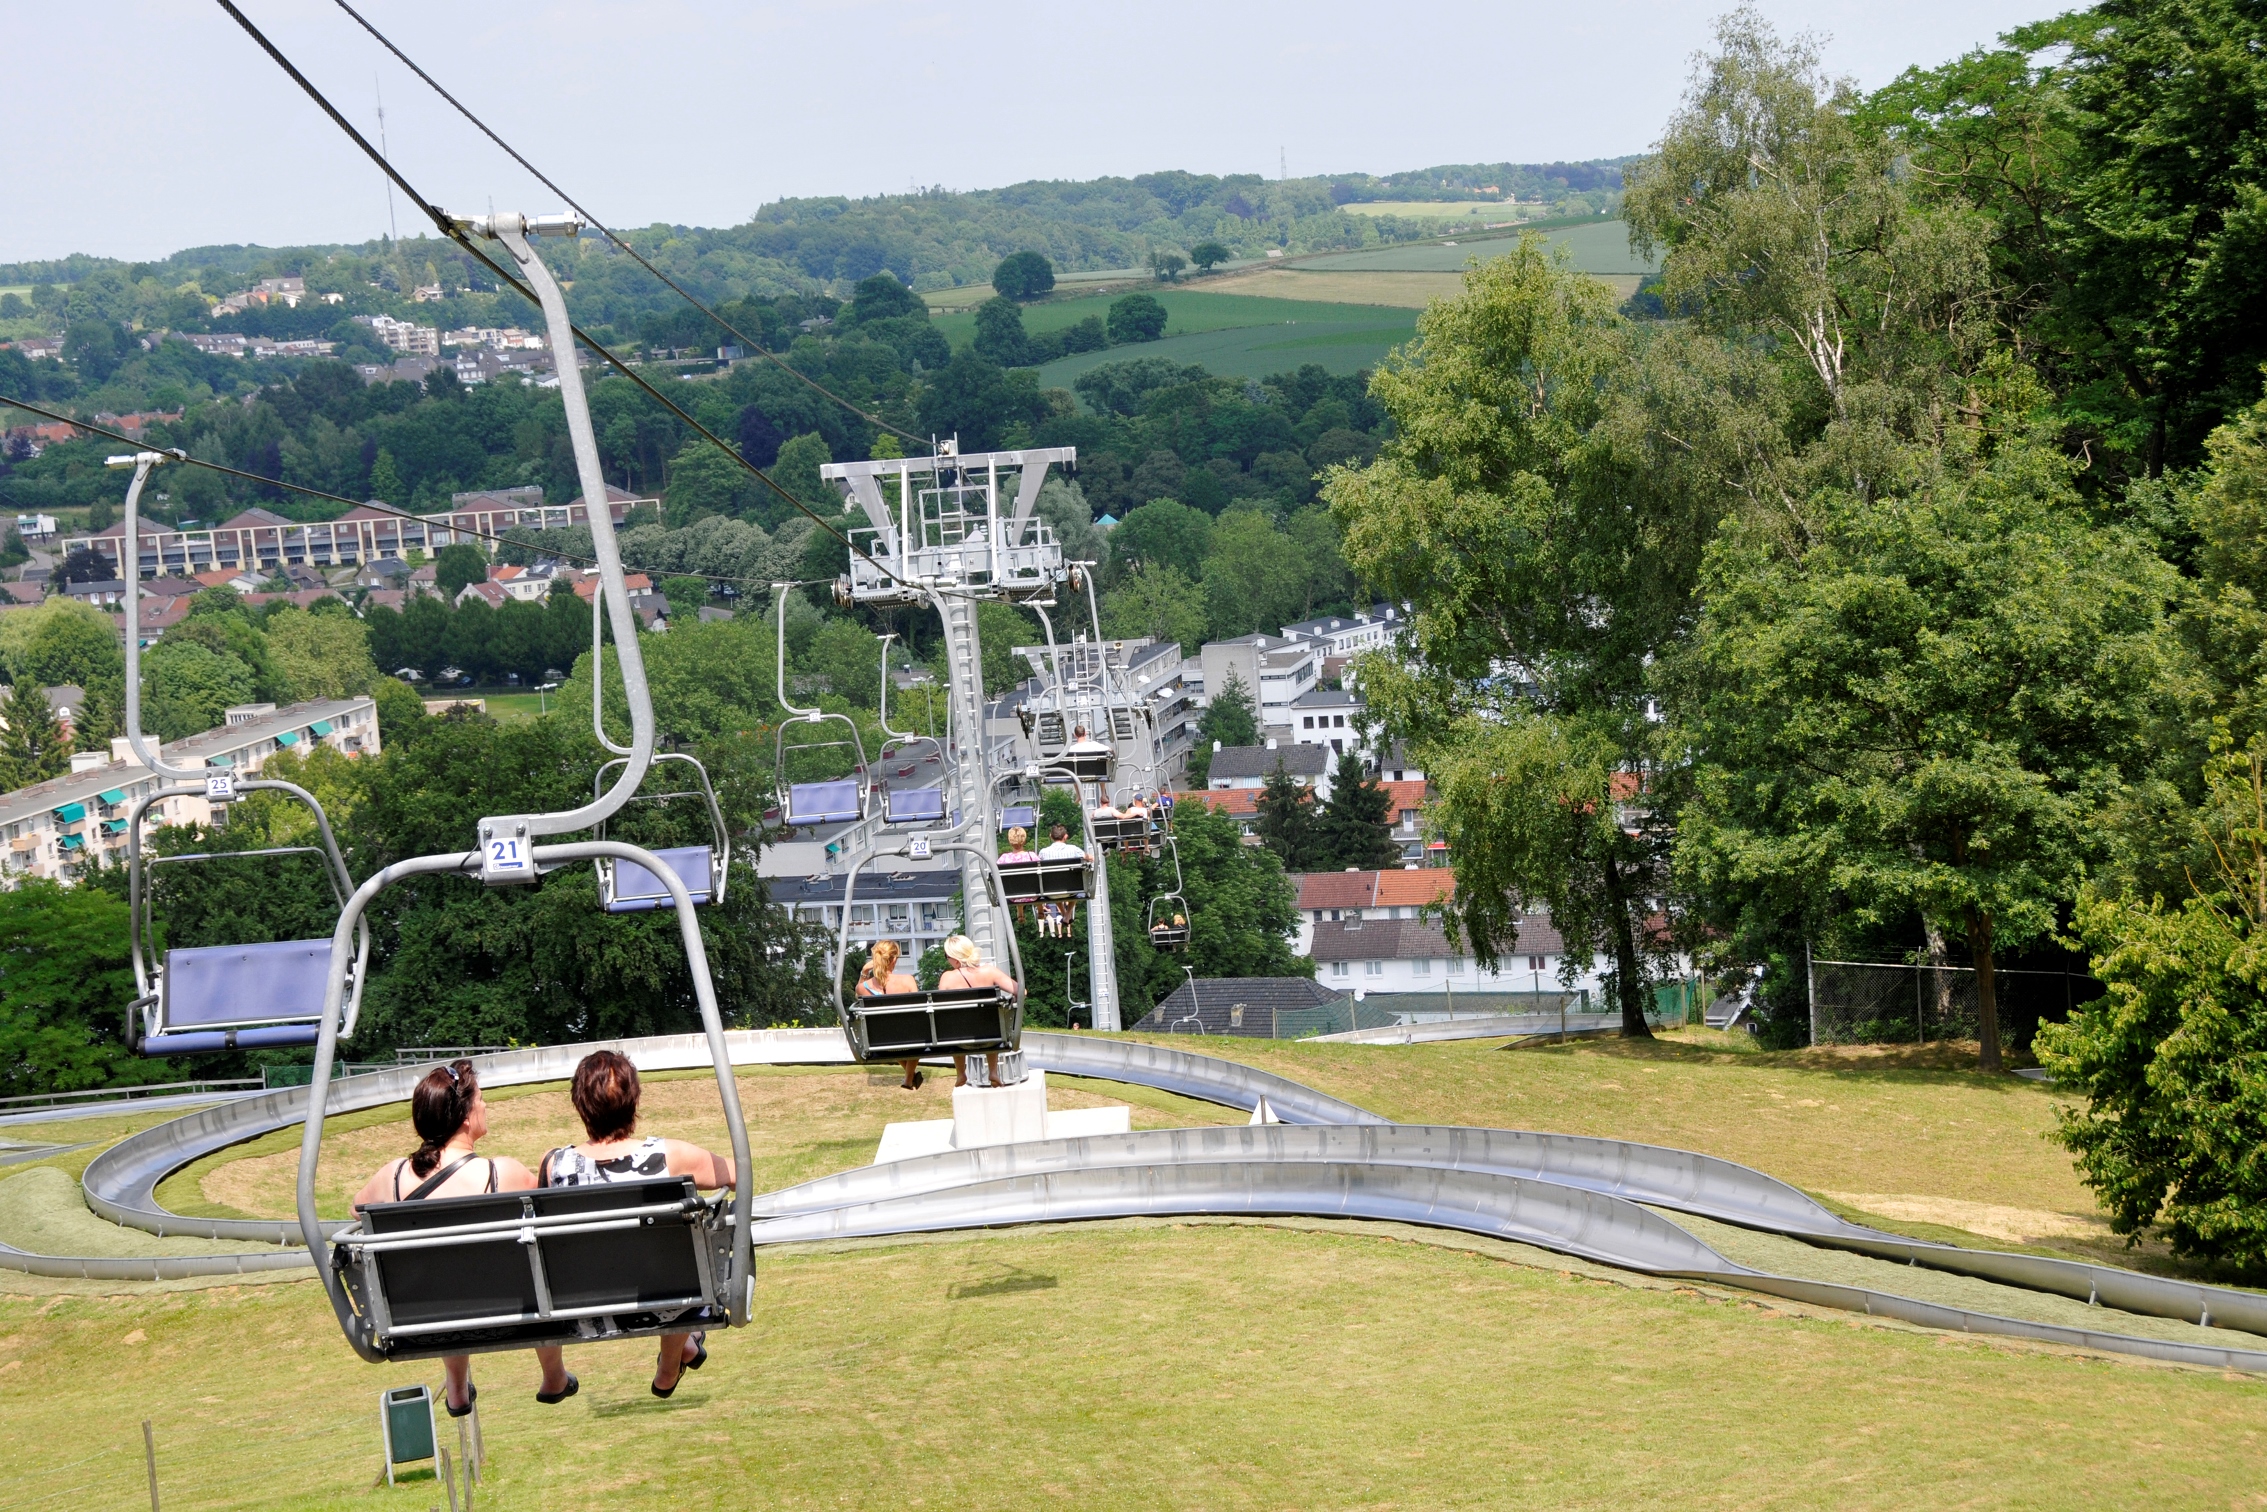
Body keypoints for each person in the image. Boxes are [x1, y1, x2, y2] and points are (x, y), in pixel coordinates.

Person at [351, 1061, 575, 1412]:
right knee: (534, 1267)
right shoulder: (503, 1173)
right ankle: (553, 1375)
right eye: (481, 1100)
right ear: (467, 1116)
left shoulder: (390, 1176)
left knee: (443, 1278)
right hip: (509, 1321)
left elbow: (356, 1210)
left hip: (423, 1326)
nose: (485, 1106)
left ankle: (456, 1387)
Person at [540, 1050, 738, 1399]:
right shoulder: (669, 1156)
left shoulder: (554, 1164)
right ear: (634, 1099)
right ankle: (670, 1362)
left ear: (579, 1104)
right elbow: (739, 1175)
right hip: (665, 1304)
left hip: (585, 1310)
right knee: (683, 1265)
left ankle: (679, 1355)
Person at [938, 933, 1023, 1086]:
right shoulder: (989, 971)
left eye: (947, 956)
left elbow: (942, 1009)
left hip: (960, 1041)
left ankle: (960, 1073)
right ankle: (993, 1071)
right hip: (991, 1039)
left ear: (955, 959)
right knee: (991, 1020)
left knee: (955, 1023)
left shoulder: (947, 977)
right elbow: (1021, 991)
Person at [858, 939, 924, 1090]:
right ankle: (908, 1078)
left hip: (881, 1042)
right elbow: (919, 1012)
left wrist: (864, 972)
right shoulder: (907, 980)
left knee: (890, 1033)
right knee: (914, 1033)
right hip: (911, 1041)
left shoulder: (863, 988)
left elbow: (858, 993)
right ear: (893, 959)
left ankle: (910, 1076)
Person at [1038, 822, 1090, 928]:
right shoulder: (1073, 849)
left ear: (1050, 836)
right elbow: (1090, 858)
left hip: (1050, 892)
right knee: (1074, 884)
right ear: (1066, 836)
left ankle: (1064, 913)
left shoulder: (1043, 852)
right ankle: (1068, 913)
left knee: (1055, 881)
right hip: (1070, 891)